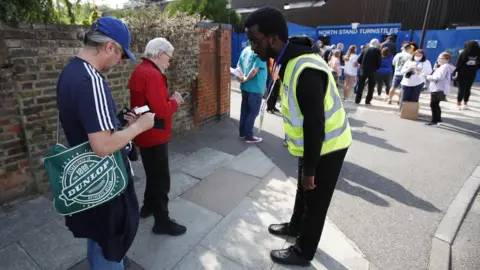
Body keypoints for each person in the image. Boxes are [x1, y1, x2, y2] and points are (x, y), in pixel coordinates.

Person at [244, 7, 352, 266]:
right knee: (303, 190)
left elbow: (316, 124)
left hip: (329, 145)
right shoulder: (289, 59)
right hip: (313, 144)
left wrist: (311, 167)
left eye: (254, 41)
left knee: (315, 200)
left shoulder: (305, 68)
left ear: (273, 39)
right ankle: (294, 226)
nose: (252, 47)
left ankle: (303, 252)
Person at [56, 17, 155, 269]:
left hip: (88, 178)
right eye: (122, 55)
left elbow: (91, 129)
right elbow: (102, 146)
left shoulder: (70, 71)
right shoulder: (92, 80)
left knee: (97, 237)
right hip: (105, 181)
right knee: (110, 244)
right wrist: (138, 127)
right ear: (110, 46)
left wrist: (122, 125)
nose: (119, 62)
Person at [128, 38, 187, 236]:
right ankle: (162, 221)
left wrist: (165, 102)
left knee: (153, 175)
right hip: (155, 135)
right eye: (169, 58)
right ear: (160, 54)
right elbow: (161, 111)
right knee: (161, 180)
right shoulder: (152, 74)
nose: (169, 63)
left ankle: (147, 207)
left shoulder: (140, 70)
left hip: (145, 133)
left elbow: (145, 105)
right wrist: (176, 101)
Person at [236, 45, 267, 143]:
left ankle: (242, 133)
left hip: (245, 88)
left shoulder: (245, 50)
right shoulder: (259, 51)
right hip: (255, 89)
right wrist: (246, 78)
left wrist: (241, 78)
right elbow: (254, 70)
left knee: (244, 111)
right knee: (253, 112)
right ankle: (249, 136)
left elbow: (238, 67)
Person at [425, 52, 456, 125]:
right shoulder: (444, 66)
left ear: (447, 59)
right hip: (440, 88)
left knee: (433, 104)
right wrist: (436, 69)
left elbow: (439, 77)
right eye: (438, 58)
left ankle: (434, 120)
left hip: (438, 88)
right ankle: (438, 119)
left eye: (441, 58)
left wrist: (428, 76)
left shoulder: (444, 67)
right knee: (436, 104)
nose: (439, 60)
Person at [454, 40, 480, 110]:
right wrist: (474, 69)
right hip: (472, 73)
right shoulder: (479, 54)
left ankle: (458, 104)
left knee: (461, 89)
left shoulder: (463, 53)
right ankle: (465, 104)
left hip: (461, 73)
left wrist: (455, 73)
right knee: (468, 89)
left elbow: (457, 64)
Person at [355, 39, 382, 105]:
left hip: (363, 69)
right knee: (371, 87)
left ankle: (357, 100)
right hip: (372, 71)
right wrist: (377, 68)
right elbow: (379, 62)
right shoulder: (377, 51)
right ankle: (368, 101)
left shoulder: (365, 49)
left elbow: (359, 60)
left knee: (360, 85)